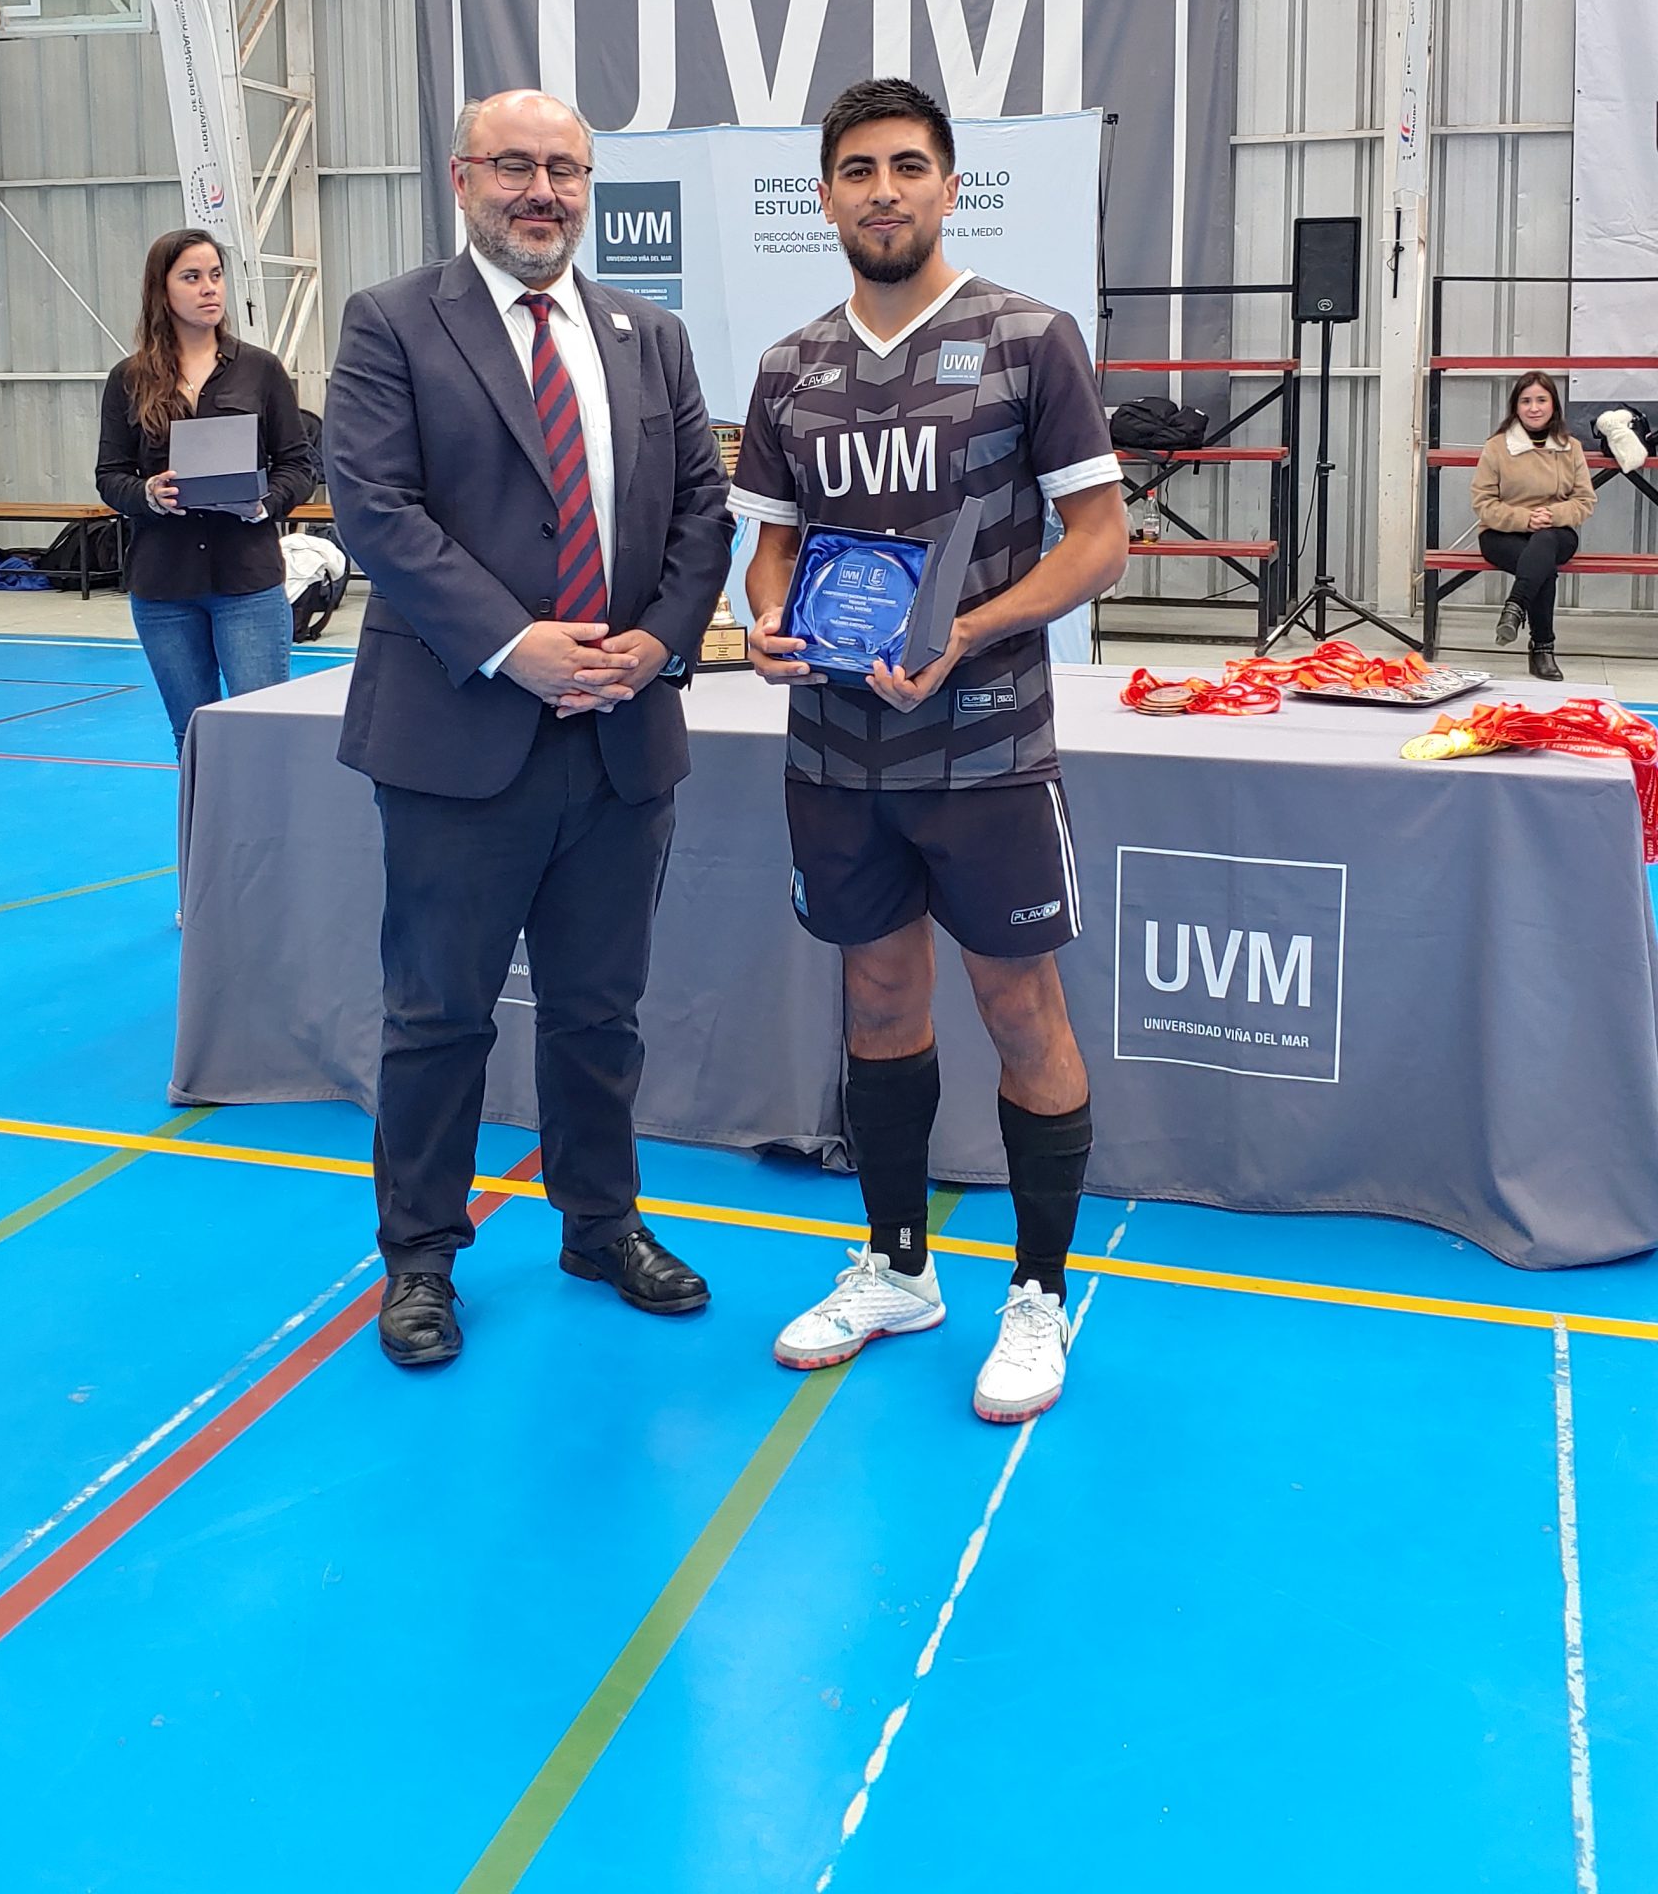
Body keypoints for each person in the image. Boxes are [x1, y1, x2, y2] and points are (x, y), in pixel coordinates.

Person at [731, 76, 1128, 1426]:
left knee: (1023, 1007)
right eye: (857, 168)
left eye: (908, 165)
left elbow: (1099, 543)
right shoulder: (789, 366)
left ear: (950, 186)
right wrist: (768, 617)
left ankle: (1035, 1292)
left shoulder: (1030, 340)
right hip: (837, 752)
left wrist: (970, 627)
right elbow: (772, 546)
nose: (883, 188)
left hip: (989, 749)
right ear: (826, 194)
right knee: (880, 1004)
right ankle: (900, 1267)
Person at [325, 88, 734, 1370]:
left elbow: (705, 514)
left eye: (563, 167)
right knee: (438, 1011)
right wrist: (518, 644)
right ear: (463, 177)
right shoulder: (394, 322)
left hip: (621, 737)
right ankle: (423, 1258)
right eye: (515, 165)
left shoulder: (648, 336)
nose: (541, 190)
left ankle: (600, 1222)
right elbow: (375, 508)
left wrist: (659, 642)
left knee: (599, 1009)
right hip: (461, 734)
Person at [96, 231, 314, 755]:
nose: (209, 289)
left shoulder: (260, 370)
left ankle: (267, 840)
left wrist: (266, 501)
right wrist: (148, 492)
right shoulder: (128, 379)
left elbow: (299, 464)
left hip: (247, 584)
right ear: (161, 291)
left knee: (262, 732)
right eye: (191, 278)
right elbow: (109, 475)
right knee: (190, 736)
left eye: (215, 275)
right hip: (164, 587)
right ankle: (207, 839)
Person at [1471, 369, 1595, 683]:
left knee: (1543, 545)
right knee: (1543, 568)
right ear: (1516, 407)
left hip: (1556, 532)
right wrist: (1524, 518)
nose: (1534, 407)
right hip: (1502, 533)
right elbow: (1483, 503)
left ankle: (1515, 606)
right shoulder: (1497, 447)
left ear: (1554, 405)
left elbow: (1584, 501)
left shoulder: (1571, 448)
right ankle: (1543, 648)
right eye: (1526, 401)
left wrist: (1551, 515)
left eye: (1541, 399)